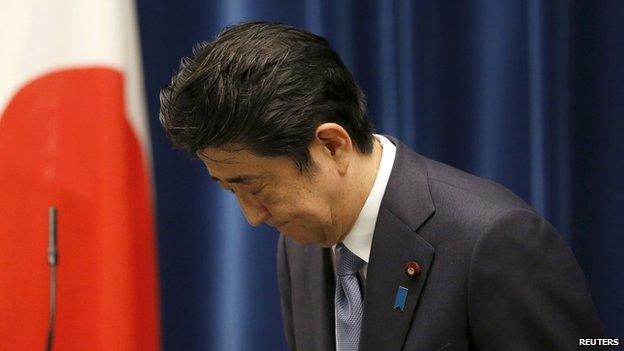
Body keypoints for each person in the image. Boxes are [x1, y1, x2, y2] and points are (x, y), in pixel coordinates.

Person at [159, 21, 603, 351]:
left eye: (254, 187)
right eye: (228, 190)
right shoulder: (300, 242)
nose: (253, 217)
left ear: (332, 145)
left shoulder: (495, 241)